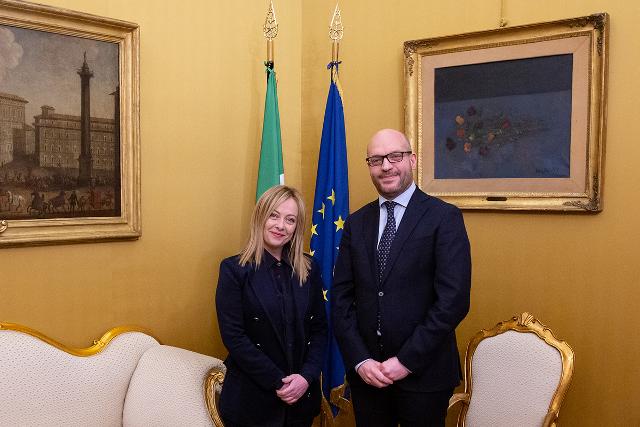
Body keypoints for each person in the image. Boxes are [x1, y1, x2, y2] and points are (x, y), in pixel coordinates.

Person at [331, 129, 471, 427]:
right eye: (376, 159)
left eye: (395, 156)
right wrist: (360, 361)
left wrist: (405, 361)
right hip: (368, 376)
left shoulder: (443, 218)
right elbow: (341, 299)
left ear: (413, 160)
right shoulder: (357, 223)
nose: (386, 166)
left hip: (424, 375)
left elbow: (453, 301)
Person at [216, 185, 328, 427]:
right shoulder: (234, 270)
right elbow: (234, 338)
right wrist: (279, 381)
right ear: (260, 217)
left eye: (290, 220)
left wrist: (305, 378)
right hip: (252, 401)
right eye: (274, 216)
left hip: (301, 400)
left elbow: (319, 330)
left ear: (297, 227)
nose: (281, 226)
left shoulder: (309, 269)